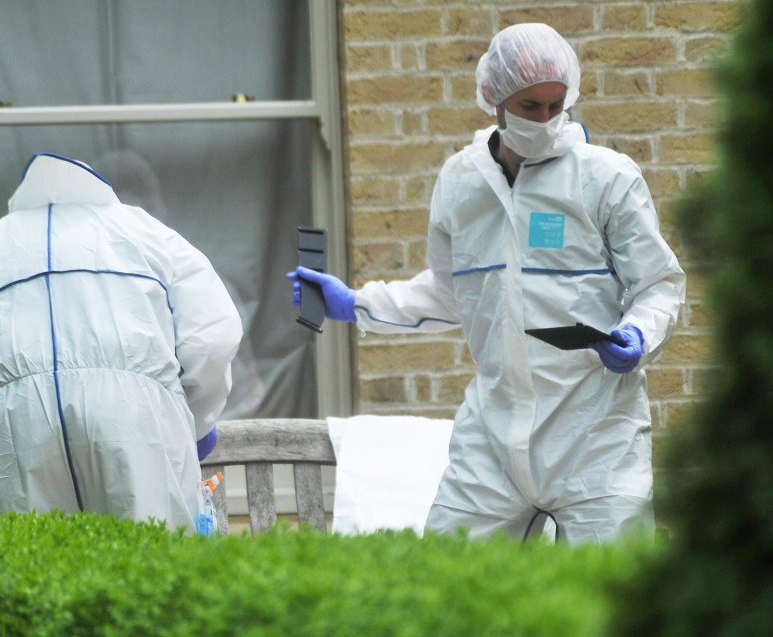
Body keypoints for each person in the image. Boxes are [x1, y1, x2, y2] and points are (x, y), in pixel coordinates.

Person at [290, 23, 685, 544]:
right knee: (446, 577)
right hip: (493, 436)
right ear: (494, 100)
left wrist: (638, 334)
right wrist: (356, 304)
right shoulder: (460, 182)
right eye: (529, 106)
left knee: (611, 596)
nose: (545, 120)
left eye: (555, 104)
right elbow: (449, 293)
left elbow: (658, 283)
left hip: (596, 436)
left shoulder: (606, 178)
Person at [0, 152, 242, 532]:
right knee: (152, 570)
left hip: (15, 430)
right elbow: (213, 337)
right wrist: (189, 424)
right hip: (138, 419)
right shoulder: (148, 233)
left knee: (32, 576)